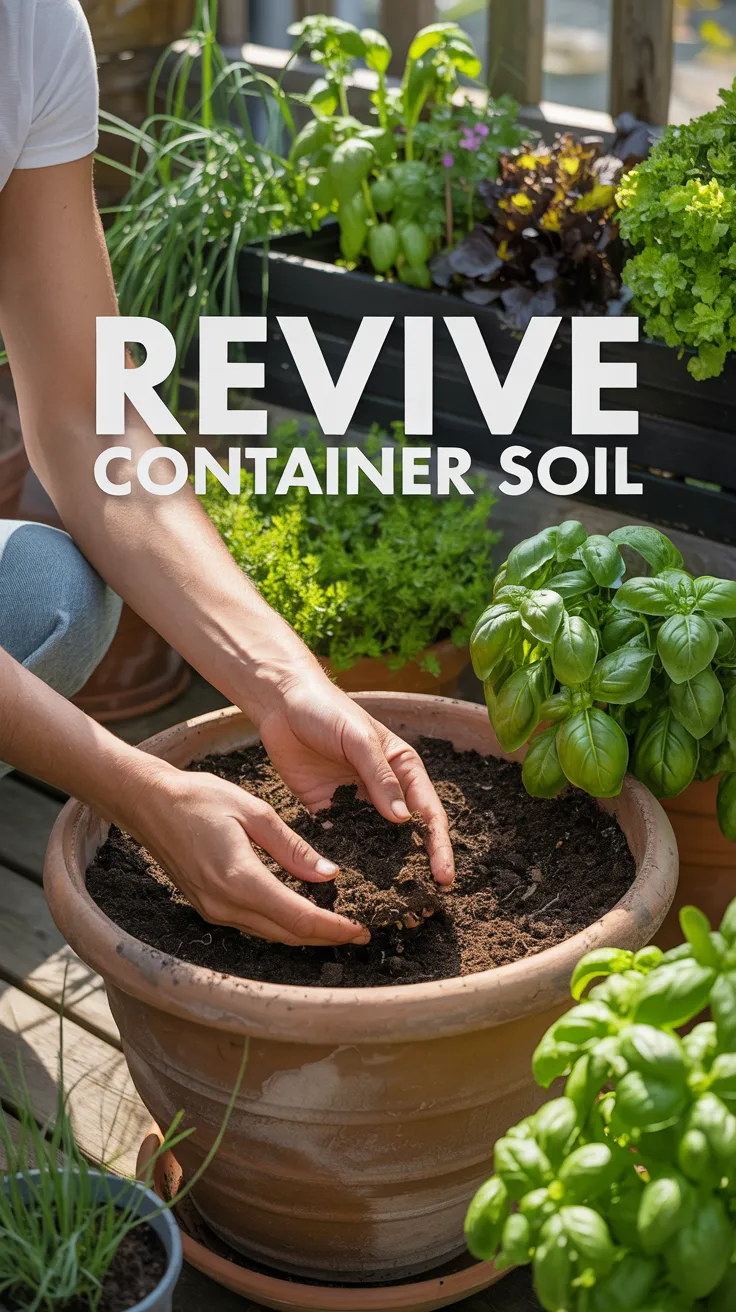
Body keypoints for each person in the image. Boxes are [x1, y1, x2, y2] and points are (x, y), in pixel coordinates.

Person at [0, 0, 454, 948]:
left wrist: (286, 680)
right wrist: (144, 792)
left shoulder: (30, 30)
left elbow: (89, 413)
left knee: (52, 599)